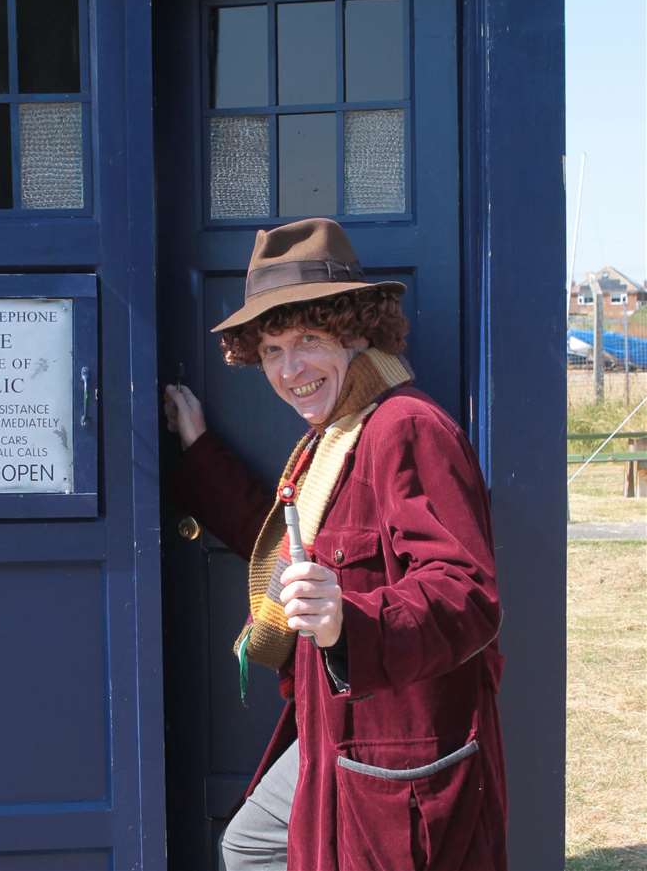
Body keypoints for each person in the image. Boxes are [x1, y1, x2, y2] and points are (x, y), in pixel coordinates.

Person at [163, 218, 507, 871]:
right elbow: (298, 548)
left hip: (403, 746)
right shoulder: (333, 435)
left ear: (355, 330)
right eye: (269, 349)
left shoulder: (407, 428)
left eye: (308, 339)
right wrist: (201, 454)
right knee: (252, 845)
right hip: (335, 729)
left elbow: (469, 595)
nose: (289, 369)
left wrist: (351, 619)